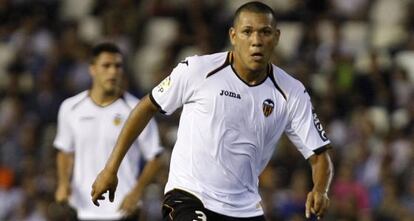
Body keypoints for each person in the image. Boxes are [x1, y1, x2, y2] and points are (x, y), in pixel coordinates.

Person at [91, 2, 333, 220]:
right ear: (233, 36)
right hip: (190, 196)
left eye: (265, 32)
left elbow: (320, 157)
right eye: (248, 32)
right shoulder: (198, 70)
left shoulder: (291, 92)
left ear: (277, 37)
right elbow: (146, 107)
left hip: (245, 210)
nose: (256, 40)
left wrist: (320, 189)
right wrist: (111, 169)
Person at [54, 42, 163, 221]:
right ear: (92, 69)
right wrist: (63, 183)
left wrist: (137, 192)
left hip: (123, 210)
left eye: (118, 66)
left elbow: (156, 157)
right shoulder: (70, 108)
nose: (113, 71)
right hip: (81, 209)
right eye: (106, 66)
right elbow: (65, 151)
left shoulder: (136, 109)